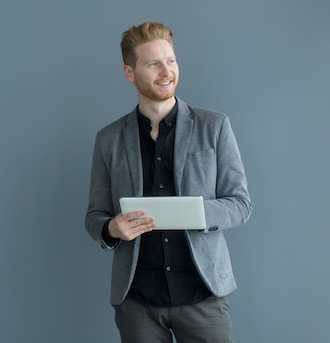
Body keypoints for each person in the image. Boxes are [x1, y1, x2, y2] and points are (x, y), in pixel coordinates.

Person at [84, 21, 252, 342]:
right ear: (129, 73)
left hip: (202, 294)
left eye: (171, 60)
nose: (166, 71)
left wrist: (196, 213)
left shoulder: (214, 127)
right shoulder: (109, 139)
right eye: (153, 64)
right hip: (137, 303)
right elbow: (94, 216)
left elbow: (240, 204)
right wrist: (111, 229)